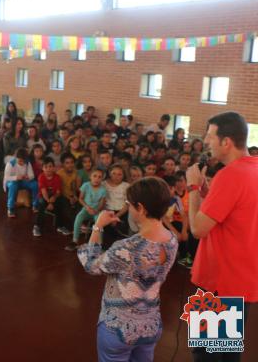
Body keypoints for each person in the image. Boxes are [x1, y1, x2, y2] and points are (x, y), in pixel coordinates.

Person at [78, 177, 178, 362]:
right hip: (150, 325)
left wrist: (98, 226)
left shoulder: (127, 247)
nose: (128, 208)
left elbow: (91, 265)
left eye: (129, 204)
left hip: (119, 329)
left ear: (140, 208)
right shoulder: (171, 240)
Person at [186, 112, 258, 362]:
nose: (206, 142)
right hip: (242, 278)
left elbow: (197, 229)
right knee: (225, 354)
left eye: (210, 136)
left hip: (221, 281)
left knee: (206, 355)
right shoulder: (254, 167)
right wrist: (208, 193)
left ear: (226, 142)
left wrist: (194, 189)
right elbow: (234, 213)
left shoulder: (230, 176)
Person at [66, 169, 106, 251]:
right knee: (79, 217)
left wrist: (96, 210)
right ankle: (75, 241)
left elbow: (102, 204)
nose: (97, 179)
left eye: (99, 177)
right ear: (90, 177)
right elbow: (80, 199)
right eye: (94, 176)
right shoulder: (85, 185)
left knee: (99, 223)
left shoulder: (103, 190)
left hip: (96, 211)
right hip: (86, 209)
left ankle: (99, 244)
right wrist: (87, 207)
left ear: (102, 179)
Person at [3, 148, 38, 218]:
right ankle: (10, 207)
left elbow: (32, 175)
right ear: (16, 158)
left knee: (35, 184)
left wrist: (28, 177)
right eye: (20, 161)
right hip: (11, 182)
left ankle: (35, 204)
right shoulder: (10, 164)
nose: (22, 163)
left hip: (23, 181)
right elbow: (6, 177)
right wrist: (16, 177)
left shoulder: (27, 163)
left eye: (23, 161)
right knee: (13, 186)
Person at [33, 157, 63, 237]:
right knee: (42, 203)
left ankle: (59, 225)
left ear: (54, 168)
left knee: (61, 202)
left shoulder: (57, 177)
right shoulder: (41, 177)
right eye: (46, 167)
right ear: (42, 168)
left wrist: (54, 198)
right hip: (44, 196)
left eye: (50, 166)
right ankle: (37, 226)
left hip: (53, 196)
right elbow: (43, 191)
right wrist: (49, 202)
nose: (48, 169)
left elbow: (58, 192)